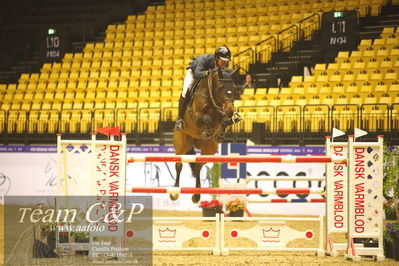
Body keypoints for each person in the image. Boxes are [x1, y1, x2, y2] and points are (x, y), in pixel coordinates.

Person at [175, 46, 232, 131]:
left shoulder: (221, 65)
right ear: (216, 58)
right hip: (194, 73)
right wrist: (207, 72)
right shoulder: (205, 59)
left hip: (207, 76)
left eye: (226, 61)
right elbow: (196, 74)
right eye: (223, 61)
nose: (225, 64)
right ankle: (180, 119)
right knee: (185, 91)